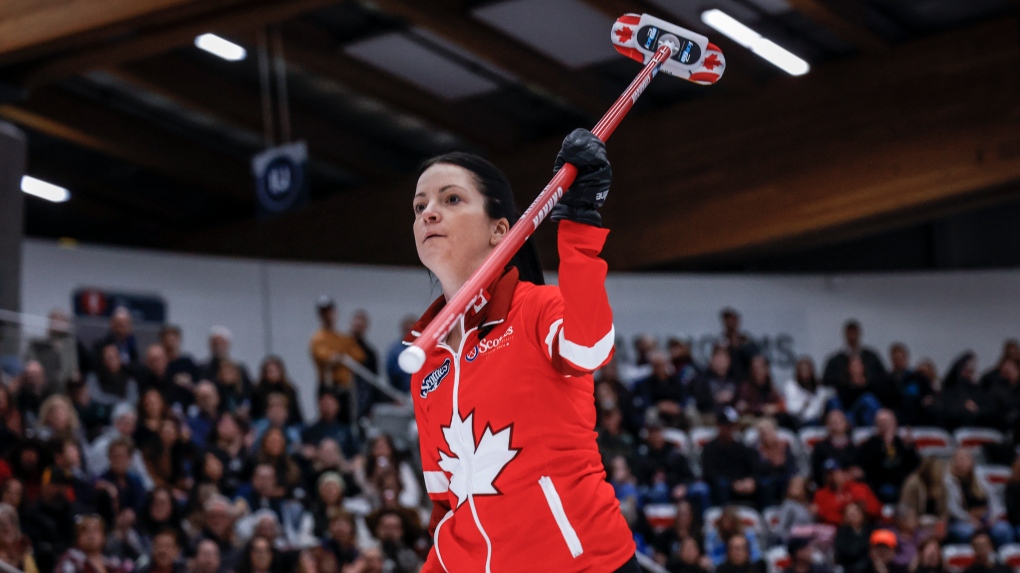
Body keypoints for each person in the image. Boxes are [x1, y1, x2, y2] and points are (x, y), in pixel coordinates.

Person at [408, 132, 637, 572]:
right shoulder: (427, 361)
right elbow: (447, 502)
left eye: (451, 199)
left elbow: (590, 347)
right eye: (419, 207)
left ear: (500, 230)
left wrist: (580, 223)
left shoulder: (535, 309)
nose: (429, 213)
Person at [945, 449, 1012, 546]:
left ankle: (999, 557)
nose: (962, 462)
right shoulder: (949, 481)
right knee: (966, 532)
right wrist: (969, 519)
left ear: (971, 461)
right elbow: (953, 509)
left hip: (985, 518)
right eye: (958, 459)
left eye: (964, 459)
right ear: (953, 462)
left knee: (1003, 529)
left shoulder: (980, 476)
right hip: (961, 520)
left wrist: (992, 517)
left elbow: (994, 501)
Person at [702, 407, 760, 507]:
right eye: (728, 426)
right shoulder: (709, 449)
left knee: (763, 484)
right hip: (722, 487)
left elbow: (753, 468)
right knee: (721, 485)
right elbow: (710, 474)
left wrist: (751, 480)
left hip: (742, 483)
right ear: (719, 426)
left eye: (733, 426)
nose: (731, 430)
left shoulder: (742, 448)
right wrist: (732, 484)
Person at [858, 409, 919, 503]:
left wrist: (909, 448)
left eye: (888, 422)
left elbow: (914, 465)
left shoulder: (901, 442)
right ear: (877, 424)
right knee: (888, 491)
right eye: (882, 422)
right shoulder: (871, 443)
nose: (885, 425)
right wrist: (887, 446)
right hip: (881, 483)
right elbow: (872, 469)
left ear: (895, 423)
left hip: (903, 481)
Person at [309, 298, 365, 389]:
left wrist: (341, 356)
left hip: (345, 386)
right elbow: (326, 358)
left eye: (330, 311)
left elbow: (359, 355)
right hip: (329, 385)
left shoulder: (342, 337)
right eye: (324, 313)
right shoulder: (318, 338)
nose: (328, 315)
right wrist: (340, 356)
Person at [25, 309, 80, 393]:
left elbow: (73, 368)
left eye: (61, 321)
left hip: (65, 384)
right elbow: (30, 360)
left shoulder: (71, 344)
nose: (58, 324)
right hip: (44, 381)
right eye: (55, 320)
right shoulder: (39, 343)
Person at [54, 514, 130, 573]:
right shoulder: (71, 560)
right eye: (85, 531)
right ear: (77, 537)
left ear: (103, 536)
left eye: (95, 530)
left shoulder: (112, 564)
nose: (91, 534)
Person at [816, 459, 882, 526]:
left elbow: (875, 510)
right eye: (828, 474)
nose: (832, 477)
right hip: (836, 530)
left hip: (866, 526)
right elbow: (826, 516)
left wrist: (862, 510)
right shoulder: (821, 494)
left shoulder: (858, 488)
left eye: (834, 473)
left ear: (843, 473)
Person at [822, 320, 887, 388]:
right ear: (845, 334)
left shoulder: (871, 357)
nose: (852, 336)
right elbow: (827, 381)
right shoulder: (835, 361)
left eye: (854, 332)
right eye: (850, 333)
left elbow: (882, 377)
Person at [811, 409, 863, 487]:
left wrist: (855, 473)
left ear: (846, 423)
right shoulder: (820, 448)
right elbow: (817, 473)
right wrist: (835, 477)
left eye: (839, 421)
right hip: (830, 489)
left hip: (853, 488)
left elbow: (861, 470)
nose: (836, 424)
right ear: (827, 425)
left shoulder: (855, 447)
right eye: (833, 422)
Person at [783, 357, 833, 427]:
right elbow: (791, 408)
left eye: (807, 370)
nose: (805, 373)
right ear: (797, 371)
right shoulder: (791, 385)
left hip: (816, 420)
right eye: (802, 370)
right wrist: (804, 404)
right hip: (798, 421)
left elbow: (826, 398)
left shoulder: (819, 388)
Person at [250, 357, 302, 425]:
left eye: (275, 371)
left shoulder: (289, 390)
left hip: (288, 424)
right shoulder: (257, 392)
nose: (273, 374)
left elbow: (296, 413)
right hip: (265, 424)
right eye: (270, 371)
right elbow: (256, 414)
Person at [719, 308, 759, 383]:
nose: (729, 324)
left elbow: (755, 357)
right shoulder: (721, 343)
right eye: (727, 321)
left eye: (732, 321)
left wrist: (739, 346)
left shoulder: (746, 341)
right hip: (728, 383)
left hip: (745, 381)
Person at [385, 316, 417, 395]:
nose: (409, 333)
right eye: (407, 330)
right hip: (400, 393)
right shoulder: (395, 350)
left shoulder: (426, 348)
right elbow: (390, 373)